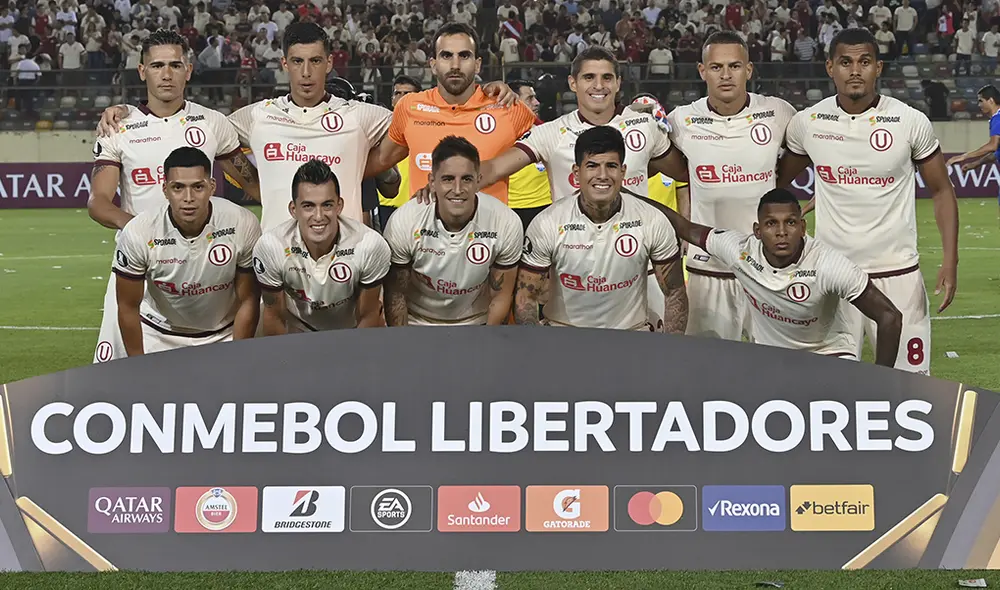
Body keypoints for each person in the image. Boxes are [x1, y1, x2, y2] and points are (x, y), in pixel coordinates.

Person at [777, 28, 959, 375]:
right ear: (830, 67)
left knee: (910, 388)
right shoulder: (808, 123)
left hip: (898, 275)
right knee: (830, 391)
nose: (855, 70)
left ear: (878, 67)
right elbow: (773, 181)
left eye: (864, 62)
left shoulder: (909, 122)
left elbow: (941, 190)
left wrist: (951, 261)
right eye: (845, 62)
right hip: (831, 278)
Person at [98, 23, 395, 234]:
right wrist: (129, 111)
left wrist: (359, 168)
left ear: (329, 63)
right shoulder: (256, 116)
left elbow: (410, 128)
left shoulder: (360, 115)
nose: (306, 72)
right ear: (284, 64)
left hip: (346, 253)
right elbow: (196, 130)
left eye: (315, 61)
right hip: (276, 258)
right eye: (297, 61)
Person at [89, 29, 260, 364]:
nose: (166, 74)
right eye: (156, 66)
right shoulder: (119, 128)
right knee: (119, 378)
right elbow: (98, 202)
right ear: (142, 71)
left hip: (209, 266)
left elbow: (254, 185)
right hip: (139, 267)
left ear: (189, 70)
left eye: (175, 65)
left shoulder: (213, 124)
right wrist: (144, 231)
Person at [652, 188, 903, 365]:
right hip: (774, 361)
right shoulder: (740, 251)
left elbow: (890, 316)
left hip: (830, 356)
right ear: (757, 231)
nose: (782, 232)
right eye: (771, 224)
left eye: (791, 223)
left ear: (803, 228)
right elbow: (684, 227)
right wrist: (630, 198)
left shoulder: (828, 264)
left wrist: (880, 382)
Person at [666, 31, 797, 343]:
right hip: (706, 270)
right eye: (716, 67)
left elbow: (812, 154)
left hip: (766, 271)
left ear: (748, 70)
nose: (726, 75)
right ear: (702, 71)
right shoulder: (681, 120)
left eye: (735, 66)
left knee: (777, 371)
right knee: (705, 375)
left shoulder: (779, 112)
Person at [515, 126, 688, 332]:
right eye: (592, 166)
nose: (602, 175)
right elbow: (526, 297)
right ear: (576, 173)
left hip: (631, 335)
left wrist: (671, 349)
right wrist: (536, 347)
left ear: (623, 172)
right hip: (563, 334)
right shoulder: (547, 223)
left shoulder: (652, 220)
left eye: (611, 166)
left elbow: (674, 291)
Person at [475, 46, 687, 204]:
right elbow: (493, 169)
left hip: (634, 253)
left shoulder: (645, 125)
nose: (598, 86)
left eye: (607, 78)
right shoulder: (551, 133)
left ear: (618, 83)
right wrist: (477, 95)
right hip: (571, 255)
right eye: (589, 77)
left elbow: (684, 173)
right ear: (572, 83)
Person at [112, 147, 262, 356]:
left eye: (198, 187)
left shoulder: (241, 222)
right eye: (178, 187)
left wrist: (239, 354)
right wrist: (139, 364)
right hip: (158, 334)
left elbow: (249, 299)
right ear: (165, 189)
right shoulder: (139, 231)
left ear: (212, 187)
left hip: (224, 334)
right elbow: (128, 307)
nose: (188, 197)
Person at [364, 23, 534, 204]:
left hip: (488, 230)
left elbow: (550, 145)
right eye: (446, 55)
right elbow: (380, 161)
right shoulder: (410, 107)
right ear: (433, 65)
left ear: (477, 65)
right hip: (425, 229)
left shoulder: (507, 107)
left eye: (464, 56)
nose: (455, 65)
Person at [382, 136, 524, 326]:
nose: (458, 190)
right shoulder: (405, 221)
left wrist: (489, 345)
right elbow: (396, 295)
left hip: (476, 324)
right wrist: (404, 344)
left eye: (466, 179)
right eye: (448, 179)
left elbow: (501, 296)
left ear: (478, 181)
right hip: (418, 323)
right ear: (432, 182)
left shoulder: (505, 222)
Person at [252, 159, 390, 334]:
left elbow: (368, 315)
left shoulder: (369, 245)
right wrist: (285, 360)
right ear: (293, 209)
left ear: (339, 206)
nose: (318, 216)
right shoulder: (272, 246)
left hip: (350, 333)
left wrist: (356, 357)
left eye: (327, 205)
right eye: (308, 206)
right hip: (297, 333)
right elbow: (274, 316)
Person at [377, 74, 422, 230]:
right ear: (392, 99)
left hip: (416, 206)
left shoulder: (430, 128)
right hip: (385, 206)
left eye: (408, 94)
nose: (402, 98)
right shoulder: (378, 128)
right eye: (398, 93)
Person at [506, 79, 552, 230]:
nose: (537, 102)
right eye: (530, 98)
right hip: (511, 209)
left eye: (535, 97)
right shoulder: (497, 133)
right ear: (513, 101)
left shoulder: (544, 130)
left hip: (545, 206)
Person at [946, 85, 1000, 176]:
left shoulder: (997, 118)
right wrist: (975, 164)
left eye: (981, 101)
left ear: (991, 100)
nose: (979, 105)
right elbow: (996, 153)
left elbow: (992, 146)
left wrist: (963, 156)